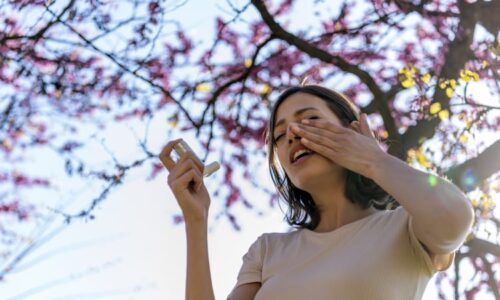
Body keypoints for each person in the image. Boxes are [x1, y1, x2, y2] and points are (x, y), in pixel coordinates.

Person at [159, 84, 475, 300]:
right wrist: (196, 220)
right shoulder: (268, 251)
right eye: (280, 135)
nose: (293, 134)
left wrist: (373, 158)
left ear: (354, 132)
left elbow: (455, 219)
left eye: (310, 120)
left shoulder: (405, 228)